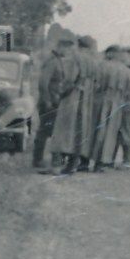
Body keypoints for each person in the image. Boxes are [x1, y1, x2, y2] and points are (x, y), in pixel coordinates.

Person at [33, 31, 81, 174]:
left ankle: (41, 159)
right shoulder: (52, 62)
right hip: (48, 102)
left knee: (49, 131)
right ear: (60, 47)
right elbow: (43, 83)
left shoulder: (58, 60)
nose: (68, 51)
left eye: (69, 48)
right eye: (66, 48)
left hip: (54, 101)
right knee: (44, 131)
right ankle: (37, 160)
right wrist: (47, 100)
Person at [92, 45, 130, 169]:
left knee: (97, 130)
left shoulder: (102, 66)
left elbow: (96, 85)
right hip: (118, 104)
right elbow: (129, 91)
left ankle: (87, 161)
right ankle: (102, 163)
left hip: (101, 100)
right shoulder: (128, 71)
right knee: (110, 133)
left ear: (111, 54)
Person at [73, 36, 102, 172]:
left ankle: (71, 159)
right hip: (92, 97)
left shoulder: (77, 57)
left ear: (80, 45)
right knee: (88, 127)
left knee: (73, 126)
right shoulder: (96, 61)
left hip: (78, 93)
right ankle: (83, 161)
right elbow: (99, 82)